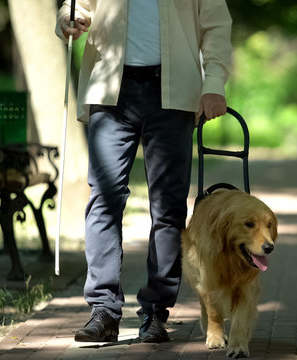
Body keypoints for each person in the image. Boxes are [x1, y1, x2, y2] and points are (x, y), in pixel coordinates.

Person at [55, 0, 232, 343]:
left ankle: (156, 311)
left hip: (174, 91)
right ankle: (103, 310)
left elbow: (216, 27)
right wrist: (68, 20)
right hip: (110, 89)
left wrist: (214, 81)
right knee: (104, 200)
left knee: (168, 208)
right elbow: (74, 8)